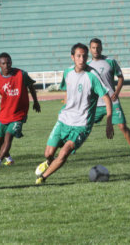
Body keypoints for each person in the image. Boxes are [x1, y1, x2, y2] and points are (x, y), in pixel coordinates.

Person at [35, 43, 114, 185]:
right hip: (64, 120)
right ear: (72, 57)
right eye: (78, 56)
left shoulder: (92, 76)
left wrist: (109, 122)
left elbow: (107, 98)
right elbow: (68, 90)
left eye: (84, 56)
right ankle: (49, 162)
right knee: (48, 153)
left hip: (81, 125)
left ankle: (42, 178)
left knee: (64, 152)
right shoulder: (67, 72)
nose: (82, 59)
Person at [0, 52, 41, 168]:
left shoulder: (21, 74)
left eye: (9, 62)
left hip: (18, 114)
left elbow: (31, 86)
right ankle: (9, 159)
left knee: (8, 137)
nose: (7, 65)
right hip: (4, 114)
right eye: (4, 63)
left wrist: (36, 101)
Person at [88, 38, 130, 155]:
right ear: (90, 49)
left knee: (122, 126)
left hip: (112, 101)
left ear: (101, 48)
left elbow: (120, 78)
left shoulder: (111, 61)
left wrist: (117, 92)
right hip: (96, 103)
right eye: (93, 48)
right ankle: (71, 149)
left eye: (98, 47)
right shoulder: (87, 65)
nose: (96, 50)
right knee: (83, 125)